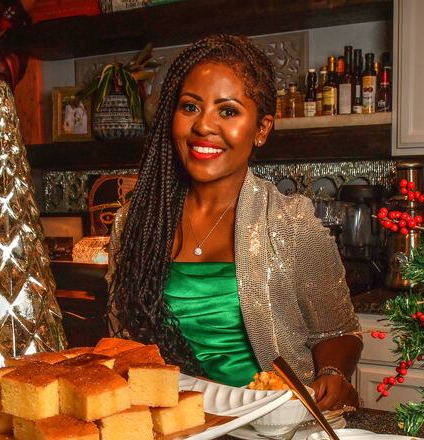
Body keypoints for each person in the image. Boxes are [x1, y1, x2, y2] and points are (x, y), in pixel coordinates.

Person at [106, 34, 362, 411]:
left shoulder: (292, 224)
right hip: (173, 424)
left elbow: (341, 333)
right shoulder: (137, 222)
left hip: (269, 426)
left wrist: (334, 373)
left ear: (261, 129)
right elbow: (121, 341)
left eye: (228, 111)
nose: (204, 126)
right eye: (190, 107)